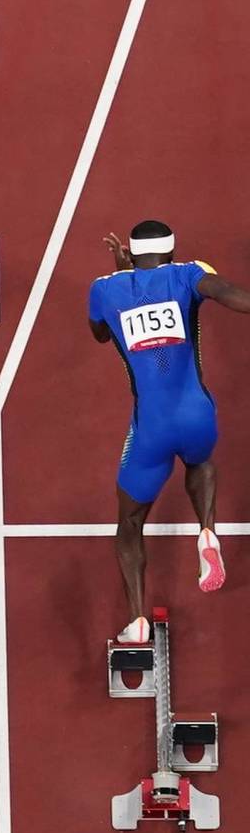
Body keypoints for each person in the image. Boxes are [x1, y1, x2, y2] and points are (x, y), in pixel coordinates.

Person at [88, 221, 250, 642]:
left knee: (129, 525)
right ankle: (207, 530)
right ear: (173, 250)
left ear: (131, 252)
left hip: (152, 428)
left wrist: (122, 273)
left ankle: (137, 619)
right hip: (198, 414)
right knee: (201, 460)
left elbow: (101, 334)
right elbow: (227, 293)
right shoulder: (189, 273)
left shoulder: (104, 289)